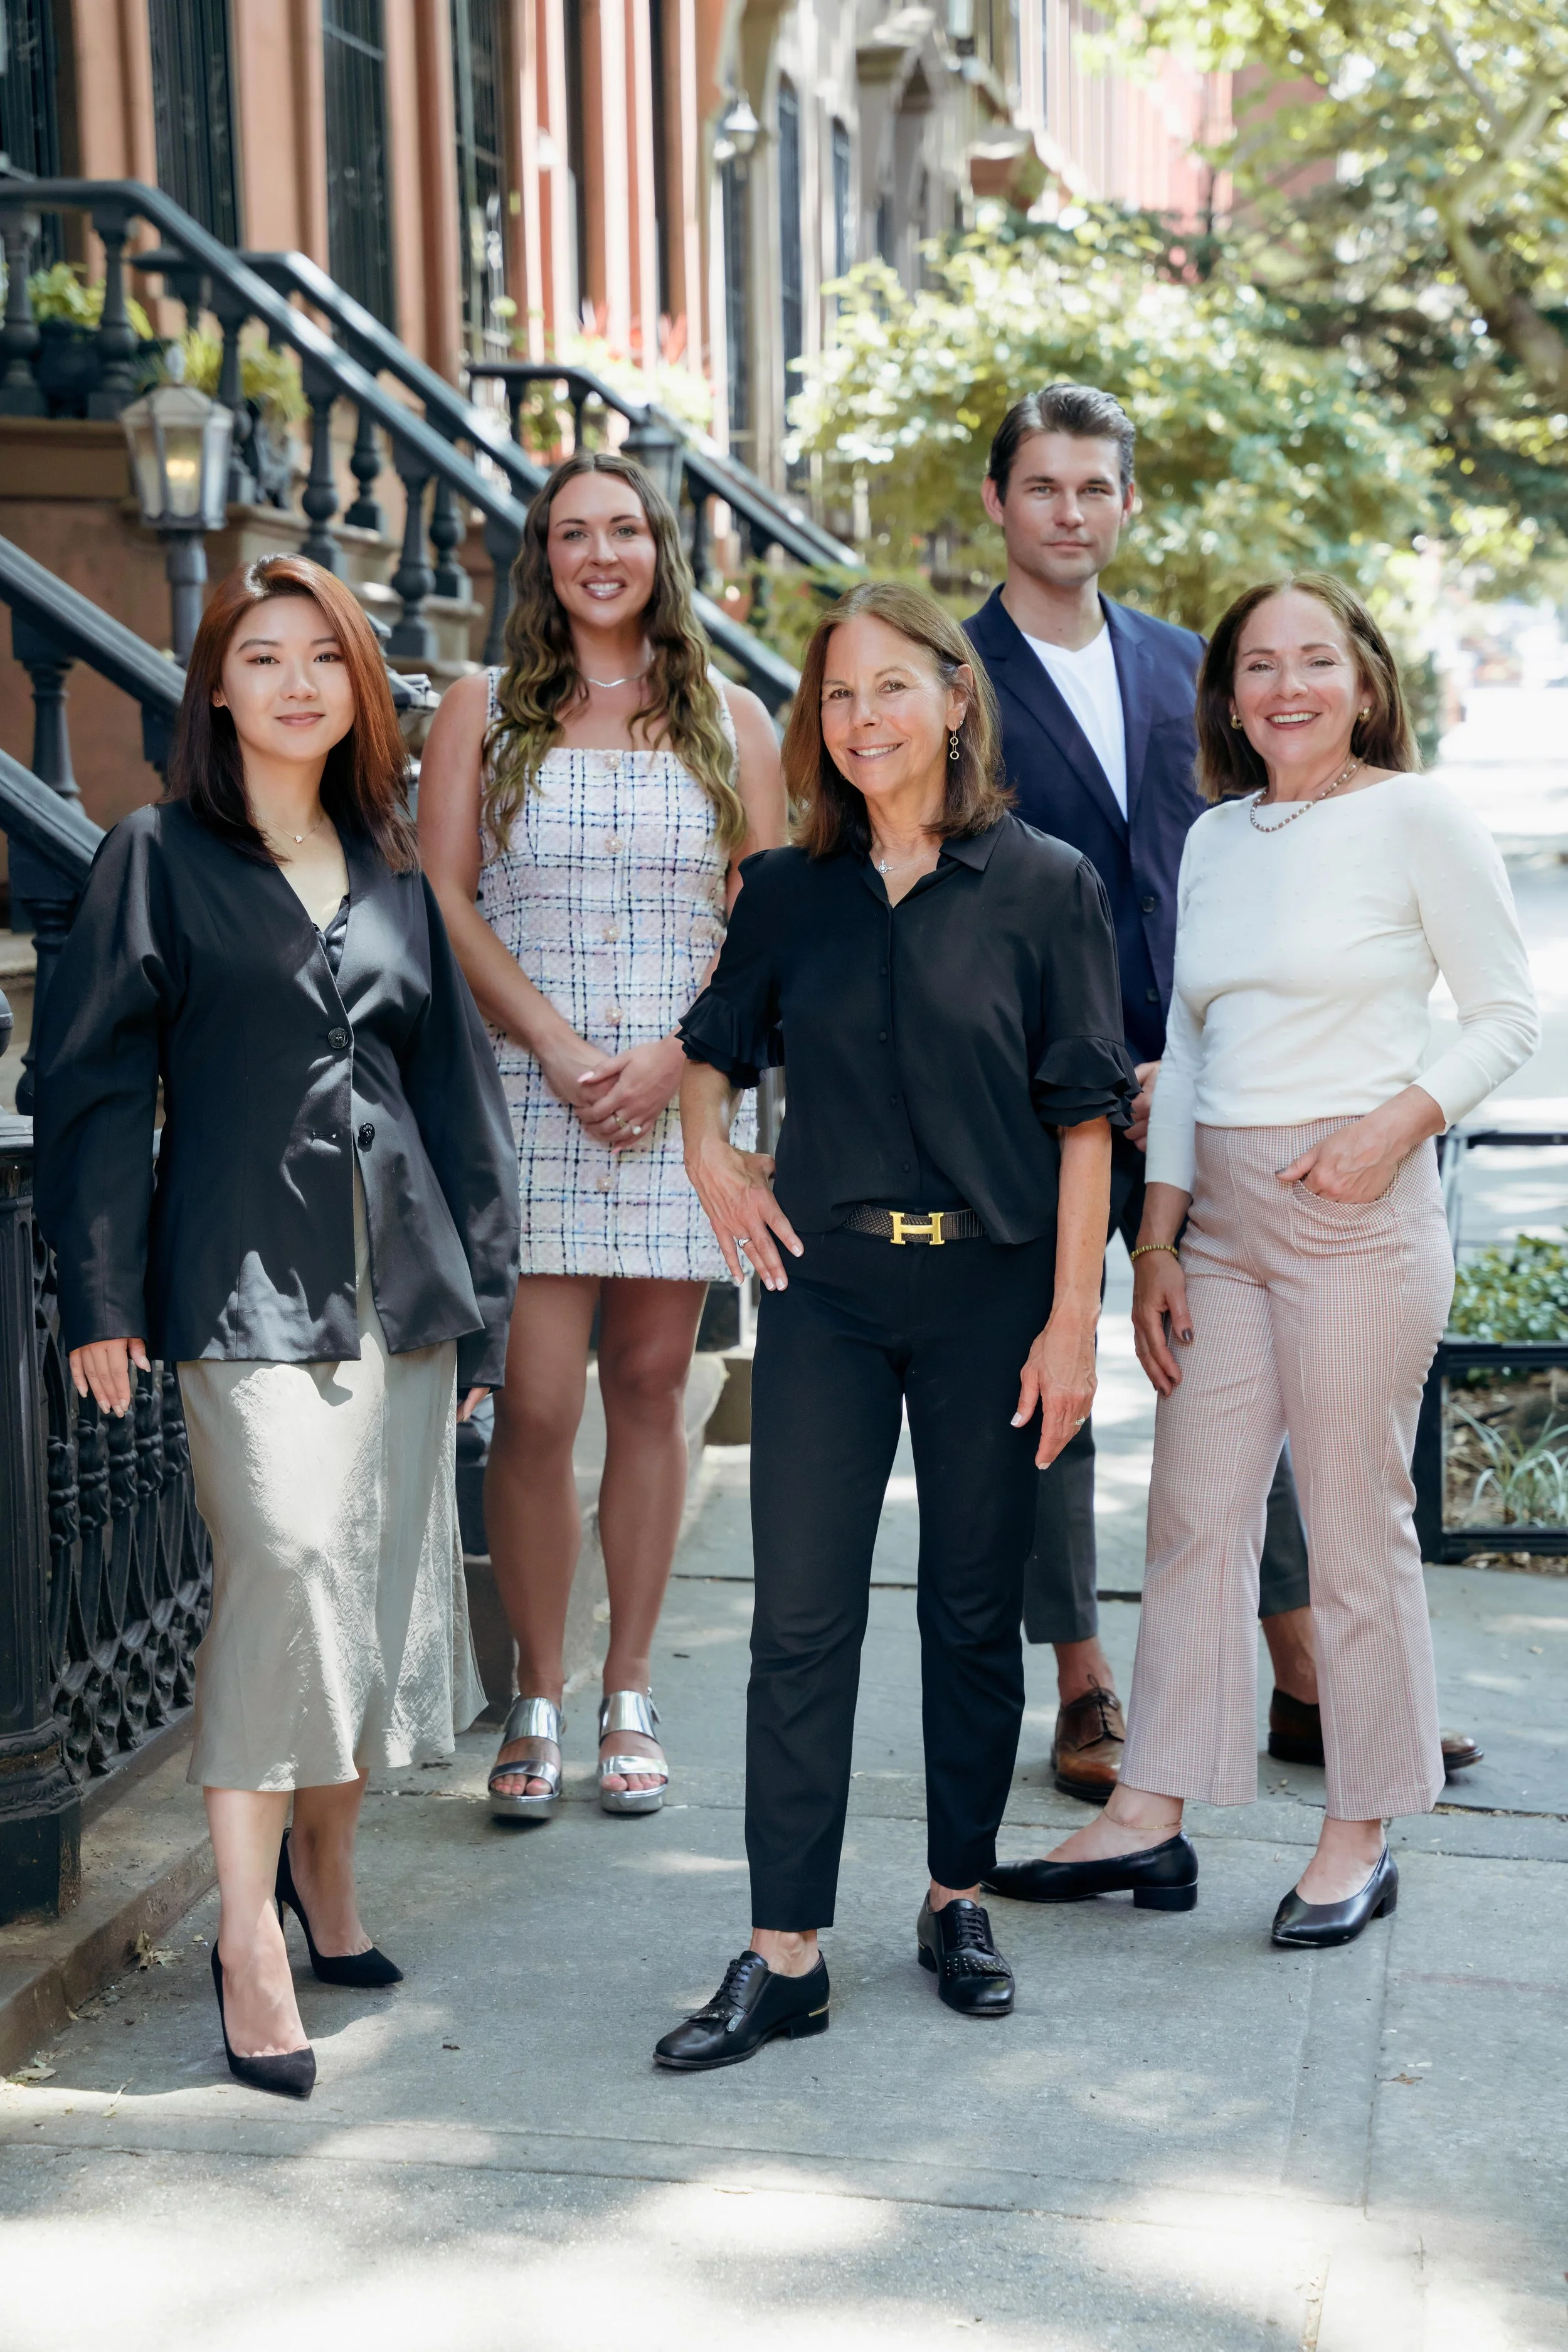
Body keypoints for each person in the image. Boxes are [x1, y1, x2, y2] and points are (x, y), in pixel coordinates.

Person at [984, 575, 1537, 1947]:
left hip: (1356, 1205)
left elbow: (1502, 1015)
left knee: (1352, 1531)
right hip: (1216, 1219)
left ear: (1362, 679)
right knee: (1193, 1519)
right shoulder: (1220, 837)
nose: (1285, 687)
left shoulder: (1415, 816)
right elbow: (1184, 1045)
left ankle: (1360, 1828)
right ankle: (1149, 1809)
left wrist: (1388, 1128)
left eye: (1314, 661)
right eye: (1257, 667)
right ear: (1223, 696)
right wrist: (1159, 1237)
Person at [33, 554, 519, 2095]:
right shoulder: (155, 855)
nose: (297, 682)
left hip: (401, 1295)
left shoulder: (389, 875)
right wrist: (99, 1296)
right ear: (218, 691)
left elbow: (457, 1099)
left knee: (366, 1608)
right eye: (263, 658)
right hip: (240, 1284)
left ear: (360, 693)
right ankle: (247, 1937)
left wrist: (485, 1316)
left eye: (327, 658)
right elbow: (94, 1089)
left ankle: (326, 1875)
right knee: (287, 1570)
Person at [964, 384, 1482, 1797]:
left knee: (1267, 1378)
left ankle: (1307, 1667)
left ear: (1125, 505)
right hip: (1034, 1095)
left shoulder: (1194, 663)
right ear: (998, 504)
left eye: (1094, 488)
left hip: (1216, 1079)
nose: (1070, 512)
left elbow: (1245, 858)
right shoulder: (952, 678)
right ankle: (1083, 1679)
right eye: (1043, 488)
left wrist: (1188, 1069)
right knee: (1050, 1374)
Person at [652, 581, 1133, 2070]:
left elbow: (1082, 1121)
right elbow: (708, 1050)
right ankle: (780, 1950)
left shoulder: (1045, 882)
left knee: (969, 1612)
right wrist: (708, 1152)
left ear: (952, 698)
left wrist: (1071, 1324)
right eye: (836, 697)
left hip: (995, 1292)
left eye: (888, 689)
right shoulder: (787, 889)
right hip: (829, 1294)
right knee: (797, 1619)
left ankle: (954, 1895)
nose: (860, 720)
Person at [418, 450, 785, 1824]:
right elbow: (448, 901)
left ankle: (627, 1688)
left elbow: (764, 918)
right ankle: (536, 1687)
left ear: (657, 550)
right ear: (543, 559)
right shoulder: (482, 713)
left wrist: (681, 1057)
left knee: (647, 1388)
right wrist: (565, 1053)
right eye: (572, 532)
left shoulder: (728, 720)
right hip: (531, 1089)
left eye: (623, 529)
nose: (599, 553)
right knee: (535, 1404)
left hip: (680, 1088)